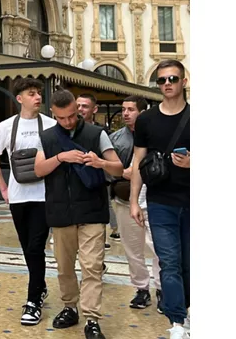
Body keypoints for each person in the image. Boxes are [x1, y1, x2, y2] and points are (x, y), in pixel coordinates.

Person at [34, 89, 123, 339]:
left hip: (92, 212)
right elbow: (39, 169)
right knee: (64, 267)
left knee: (92, 266)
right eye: (62, 118)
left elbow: (118, 168)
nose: (69, 121)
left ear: (78, 108)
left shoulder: (97, 134)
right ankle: (69, 307)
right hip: (60, 212)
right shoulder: (47, 138)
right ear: (53, 113)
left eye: (72, 115)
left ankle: (92, 319)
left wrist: (101, 163)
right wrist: (61, 157)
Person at [0, 78, 57, 326]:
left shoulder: (50, 125)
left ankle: (33, 301)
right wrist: (4, 189)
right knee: (28, 247)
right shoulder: (6, 127)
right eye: (31, 93)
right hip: (18, 197)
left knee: (36, 247)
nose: (37, 97)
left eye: (39, 93)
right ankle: (40, 285)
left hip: (43, 196)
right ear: (19, 99)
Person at [129, 60, 191, 339]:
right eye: (162, 79)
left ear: (183, 81)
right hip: (160, 201)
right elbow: (138, 160)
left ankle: (188, 309)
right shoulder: (147, 120)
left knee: (190, 262)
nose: (167, 83)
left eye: (172, 79)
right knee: (169, 261)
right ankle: (177, 321)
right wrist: (133, 201)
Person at [108, 95, 162, 312]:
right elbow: (108, 170)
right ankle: (141, 289)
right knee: (132, 249)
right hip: (125, 200)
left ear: (142, 111)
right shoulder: (115, 139)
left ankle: (161, 287)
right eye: (123, 109)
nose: (126, 113)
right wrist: (123, 173)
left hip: (155, 200)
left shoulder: (156, 135)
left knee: (160, 248)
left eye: (131, 109)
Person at [78, 93, 118, 245]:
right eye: (78, 106)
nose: (80, 109)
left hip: (98, 180)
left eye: (84, 106)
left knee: (104, 205)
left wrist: (100, 163)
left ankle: (106, 235)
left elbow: (113, 160)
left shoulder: (101, 133)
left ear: (94, 110)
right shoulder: (65, 131)